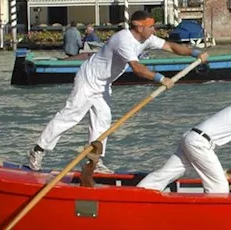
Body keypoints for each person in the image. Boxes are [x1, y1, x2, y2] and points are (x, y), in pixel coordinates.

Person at [27, 10, 207, 172]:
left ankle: (93, 162)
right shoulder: (123, 40)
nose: (154, 29)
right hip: (87, 81)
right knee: (71, 117)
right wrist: (160, 78)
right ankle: (38, 150)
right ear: (138, 26)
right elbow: (136, 68)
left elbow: (170, 46)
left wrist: (194, 53)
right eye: (151, 26)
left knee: (103, 121)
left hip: (103, 85)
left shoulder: (147, 38)